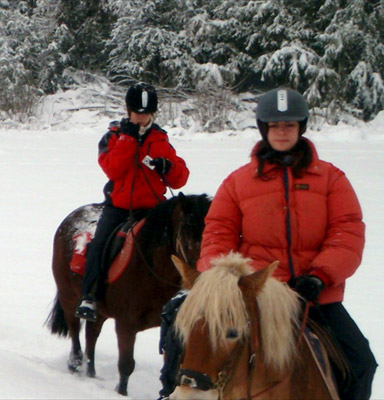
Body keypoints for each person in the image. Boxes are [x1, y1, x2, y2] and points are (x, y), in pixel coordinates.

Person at [157, 88, 374, 400]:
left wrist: (320, 276)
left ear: (301, 128)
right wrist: (219, 280)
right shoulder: (238, 182)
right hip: (250, 292)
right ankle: (170, 392)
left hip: (312, 295)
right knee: (182, 322)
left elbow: (347, 233)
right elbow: (218, 232)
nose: (282, 132)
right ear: (263, 129)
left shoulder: (331, 179)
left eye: (289, 125)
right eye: (274, 126)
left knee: (361, 362)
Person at [76, 83, 189, 321]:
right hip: (119, 207)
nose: (142, 117)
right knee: (99, 245)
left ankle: (184, 292)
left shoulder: (161, 138)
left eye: (146, 113)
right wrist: (127, 139)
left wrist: (169, 168)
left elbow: (180, 179)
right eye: (138, 112)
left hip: (154, 209)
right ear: (128, 110)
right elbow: (112, 170)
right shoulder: (112, 137)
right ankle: (90, 296)